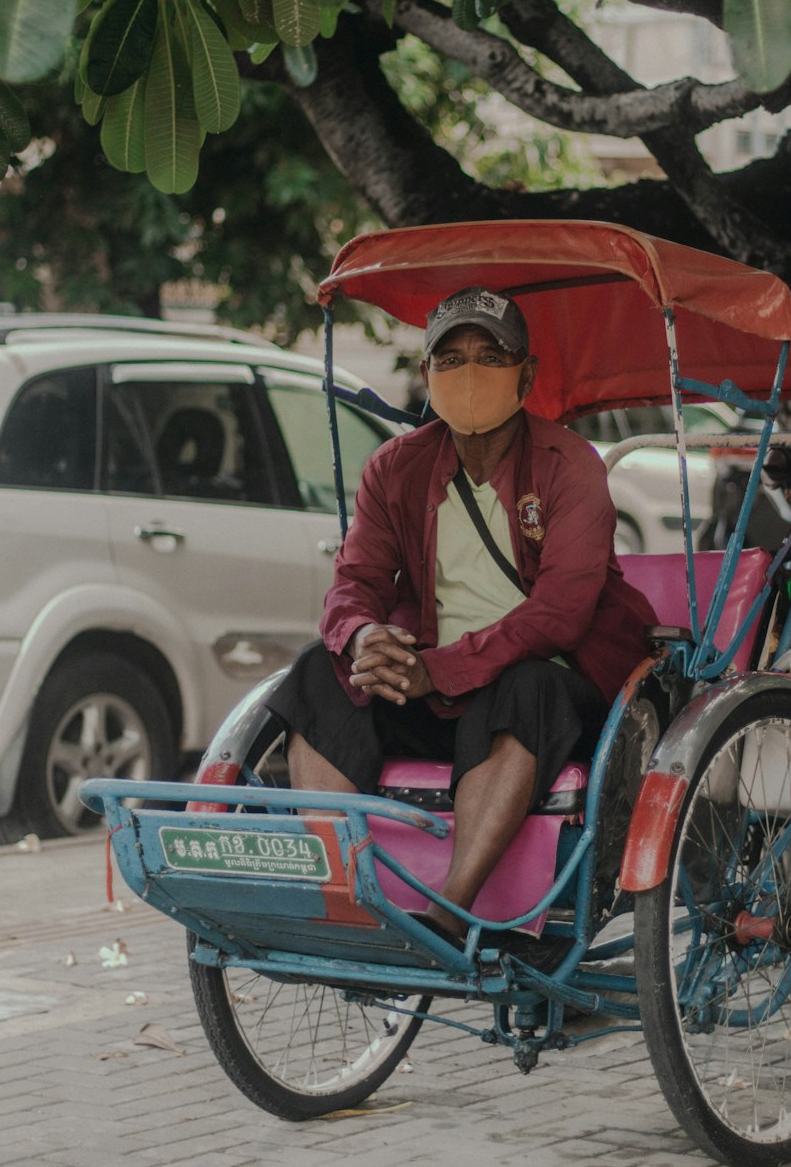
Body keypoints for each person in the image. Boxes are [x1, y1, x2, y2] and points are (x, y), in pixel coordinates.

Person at [268, 286, 656, 943]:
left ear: (525, 374)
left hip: (556, 693)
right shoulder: (397, 467)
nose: (467, 374)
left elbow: (559, 616)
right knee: (318, 675)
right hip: (442, 691)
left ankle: (447, 913)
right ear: (426, 376)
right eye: (449, 360)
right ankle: (343, 895)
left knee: (525, 686)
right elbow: (354, 583)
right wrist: (365, 638)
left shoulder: (570, 468)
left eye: (490, 355)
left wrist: (437, 669)